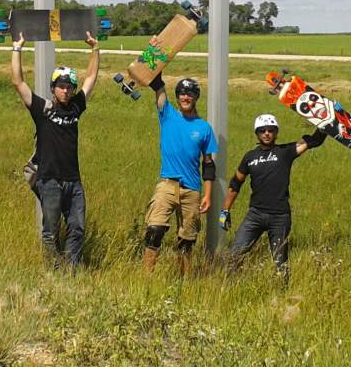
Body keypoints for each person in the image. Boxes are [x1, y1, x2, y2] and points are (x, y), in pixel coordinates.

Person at [10, 30, 100, 269]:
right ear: (53, 88)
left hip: (74, 181)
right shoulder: (43, 109)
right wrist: (17, 48)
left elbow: (91, 79)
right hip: (49, 180)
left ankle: (71, 270)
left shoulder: (76, 108)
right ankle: (53, 272)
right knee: (51, 230)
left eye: (70, 86)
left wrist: (95, 49)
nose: (66, 90)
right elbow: (18, 82)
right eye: (61, 86)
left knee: (78, 227)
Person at [218, 113, 326, 281]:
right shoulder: (249, 157)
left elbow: (314, 141)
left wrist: (324, 123)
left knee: (280, 262)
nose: (266, 133)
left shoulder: (286, 152)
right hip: (255, 215)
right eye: (262, 130)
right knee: (234, 255)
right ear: (257, 133)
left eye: (270, 130)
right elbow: (235, 183)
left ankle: (282, 295)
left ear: (276, 132)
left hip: (280, 217)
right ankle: (231, 289)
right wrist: (224, 211)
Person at [140, 73, 218, 276]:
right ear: (177, 96)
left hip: (192, 189)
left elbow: (208, 165)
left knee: (187, 240)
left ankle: (182, 280)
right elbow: (158, 86)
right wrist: (156, 62)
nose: (186, 97)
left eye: (190, 94)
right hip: (167, 184)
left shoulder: (204, 128)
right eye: (182, 93)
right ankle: (147, 277)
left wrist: (208, 195)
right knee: (154, 230)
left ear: (196, 97)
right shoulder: (167, 115)